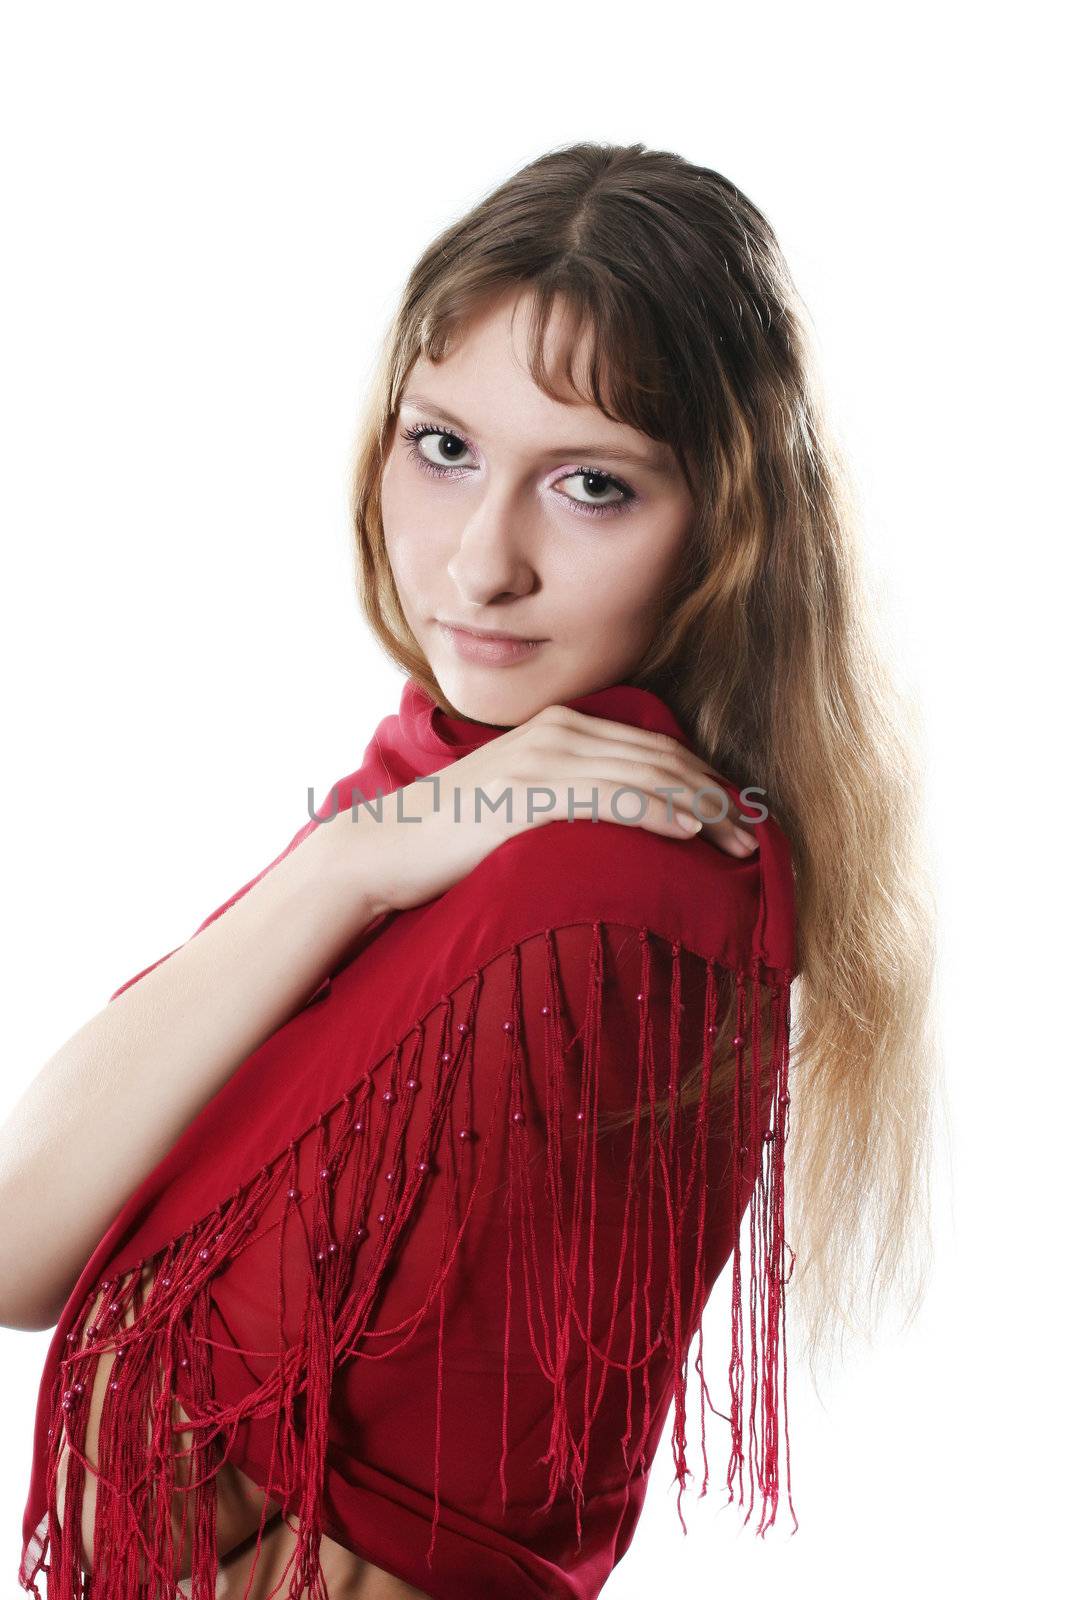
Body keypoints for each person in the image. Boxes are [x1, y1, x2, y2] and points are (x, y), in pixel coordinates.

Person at [2, 141, 938, 1600]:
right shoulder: (440, 795)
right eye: (442, 448)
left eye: (590, 484)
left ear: (730, 534)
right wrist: (343, 869)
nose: (478, 565)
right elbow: (18, 1241)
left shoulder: (600, 900)